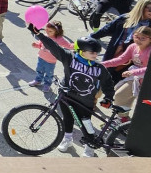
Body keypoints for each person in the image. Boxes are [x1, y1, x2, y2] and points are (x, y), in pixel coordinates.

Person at [27, 28, 115, 157]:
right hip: (66, 96)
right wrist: (39, 35)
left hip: (86, 100)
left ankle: (90, 145)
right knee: (67, 118)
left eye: (97, 53)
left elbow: (107, 83)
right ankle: (67, 139)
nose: (96, 55)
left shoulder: (98, 68)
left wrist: (109, 97)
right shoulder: (70, 58)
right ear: (81, 51)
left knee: (86, 122)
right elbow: (54, 47)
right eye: (92, 52)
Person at [28, 21, 73, 92]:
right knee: (39, 70)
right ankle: (38, 80)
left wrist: (79, 45)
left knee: (49, 74)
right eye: (46, 29)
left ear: (57, 32)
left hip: (51, 61)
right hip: (41, 57)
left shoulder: (59, 39)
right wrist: (36, 45)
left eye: (50, 31)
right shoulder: (45, 36)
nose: (47, 32)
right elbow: (40, 44)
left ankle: (47, 85)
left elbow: (69, 45)